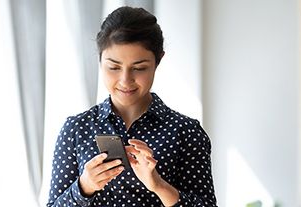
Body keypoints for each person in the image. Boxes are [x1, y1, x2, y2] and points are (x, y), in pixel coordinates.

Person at [47, 6, 217, 207]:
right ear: (100, 60)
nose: (125, 80)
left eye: (139, 68)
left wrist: (159, 186)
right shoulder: (76, 129)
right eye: (114, 67)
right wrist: (84, 186)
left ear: (158, 61)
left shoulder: (186, 132)